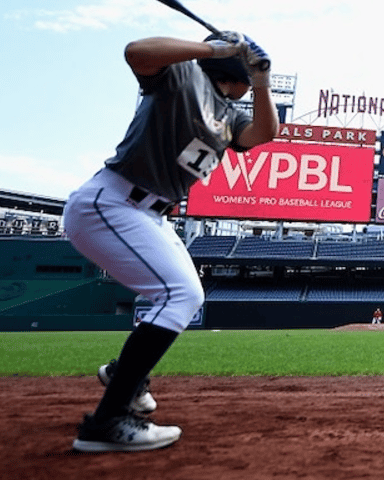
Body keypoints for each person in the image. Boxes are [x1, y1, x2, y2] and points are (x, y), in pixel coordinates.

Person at [64, 32, 277, 452]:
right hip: (114, 200)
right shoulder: (184, 73)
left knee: (188, 294)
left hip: (150, 212)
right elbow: (135, 52)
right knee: (177, 293)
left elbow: (263, 134)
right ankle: (107, 422)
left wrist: (264, 82)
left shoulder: (230, 114)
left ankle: (125, 373)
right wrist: (215, 50)